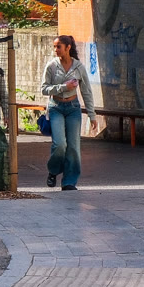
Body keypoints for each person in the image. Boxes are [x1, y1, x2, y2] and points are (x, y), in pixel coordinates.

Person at [41, 33, 100, 190]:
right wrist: (63, 87)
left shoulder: (78, 67)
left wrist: (92, 115)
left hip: (73, 108)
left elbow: (86, 92)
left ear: (68, 48)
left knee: (73, 147)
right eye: (54, 47)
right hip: (56, 107)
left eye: (58, 47)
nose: (55, 50)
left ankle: (69, 182)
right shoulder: (52, 66)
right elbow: (44, 89)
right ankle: (53, 170)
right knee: (60, 144)